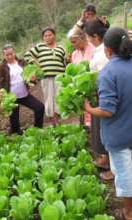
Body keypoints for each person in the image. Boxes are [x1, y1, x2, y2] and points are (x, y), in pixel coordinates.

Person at [84, 27, 132, 220]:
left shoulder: (108, 73)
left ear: (108, 50)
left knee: (124, 175)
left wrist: (88, 109)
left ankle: (129, 211)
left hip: (119, 135)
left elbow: (107, 110)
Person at [85, 19, 114, 180]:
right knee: (103, 129)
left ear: (95, 36)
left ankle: (112, 167)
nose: (87, 39)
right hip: (102, 94)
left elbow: (105, 78)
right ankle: (106, 160)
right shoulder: (100, 50)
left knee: (108, 129)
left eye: (88, 36)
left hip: (105, 95)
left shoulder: (103, 53)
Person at [0, 44, 44, 134]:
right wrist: (2, 94)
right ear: (4, 56)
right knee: (14, 121)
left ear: (14, 53)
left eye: (11, 54)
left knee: (40, 107)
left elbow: (30, 75)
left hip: (24, 94)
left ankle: (38, 129)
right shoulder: (2, 67)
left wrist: (33, 79)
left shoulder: (22, 62)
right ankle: (17, 135)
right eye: (7, 55)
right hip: (12, 97)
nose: (10, 56)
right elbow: (0, 81)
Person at [24, 27, 66, 124]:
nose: (48, 37)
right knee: (49, 99)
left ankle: (58, 120)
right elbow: (27, 55)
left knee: (59, 99)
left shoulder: (61, 48)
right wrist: (35, 63)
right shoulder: (40, 47)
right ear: (43, 38)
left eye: (50, 35)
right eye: (45, 36)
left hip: (59, 77)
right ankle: (53, 121)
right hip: (46, 78)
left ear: (54, 35)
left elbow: (65, 62)